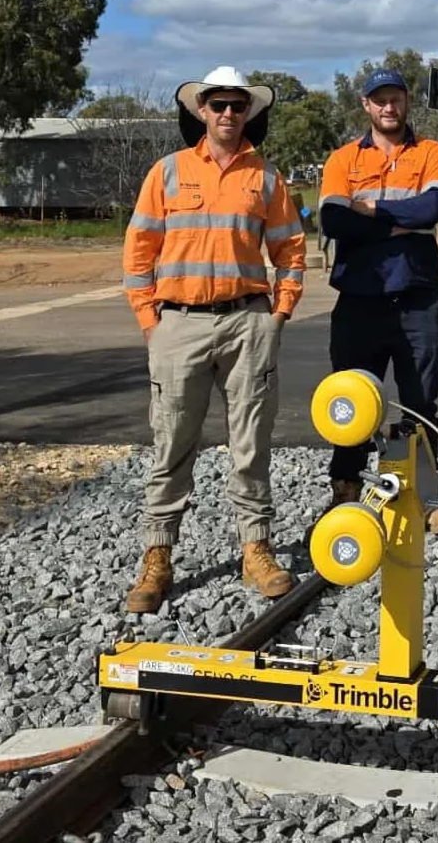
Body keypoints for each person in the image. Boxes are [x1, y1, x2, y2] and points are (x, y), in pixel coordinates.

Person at [120, 65, 308, 614]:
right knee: (172, 443)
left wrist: (278, 314)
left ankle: (256, 549)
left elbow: (290, 252)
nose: (228, 113)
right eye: (218, 104)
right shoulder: (168, 172)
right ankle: (157, 557)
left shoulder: (267, 178)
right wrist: (151, 323)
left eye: (237, 105)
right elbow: (139, 253)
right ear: (200, 110)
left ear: (249, 112)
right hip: (177, 325)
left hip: (248, 322)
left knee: (250, 443)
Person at [318, 67, 438, 506]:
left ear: (407, 101)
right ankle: (346, 490)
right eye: (380, 100)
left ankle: (419, 498)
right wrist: (397, 226)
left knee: (419, 403)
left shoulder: (433, 153)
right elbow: (334, 220)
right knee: (353, 401)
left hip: (417, 298)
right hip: (359, 300)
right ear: (366, 106)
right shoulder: (343, 159)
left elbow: (431, 208)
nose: (388, 107)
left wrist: (370, 209)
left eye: (395, 98)